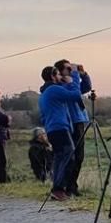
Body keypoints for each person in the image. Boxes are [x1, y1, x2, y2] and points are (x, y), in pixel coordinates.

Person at [38, 65, 82, 201]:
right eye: (57, 75)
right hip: (60, 128)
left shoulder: (45, 93)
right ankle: (59, 189)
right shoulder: (54, 89)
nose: (60, 77)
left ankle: (57, 189)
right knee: (68, 157)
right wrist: (73, 77)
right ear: (52, 76)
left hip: (52, 129)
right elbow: (75, 96)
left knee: (59, 158)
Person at [54, 60, 92, 196]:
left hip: (80, 120)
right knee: (72, 156)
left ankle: (72, 186)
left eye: (71, 68)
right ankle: (67, 186)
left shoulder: (72, 83)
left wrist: (83, 74)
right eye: (67, 68)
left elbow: (86, 87)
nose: (70, 70)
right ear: (59, 71)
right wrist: (75, 74)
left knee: (80, 156)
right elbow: (74, 93)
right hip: (71, 121)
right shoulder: (60, 86)